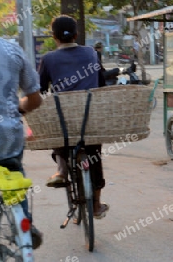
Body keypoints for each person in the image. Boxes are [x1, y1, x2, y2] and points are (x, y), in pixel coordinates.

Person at [0, 0, 43, 248]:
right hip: (6, 138)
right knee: (13, 172)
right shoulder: (12, 50)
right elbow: (35, 98)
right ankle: (23, 222)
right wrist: (18, 107)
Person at [38, 15, 109, 219]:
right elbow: (101, 83)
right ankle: (95, 205)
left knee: (59, 132)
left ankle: (61, 170)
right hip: (90, 116)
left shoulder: (48, 59)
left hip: (65, 120)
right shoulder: (92, 53)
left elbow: (41, 90)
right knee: (94, 152)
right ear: (77, 35)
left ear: (54, 37)